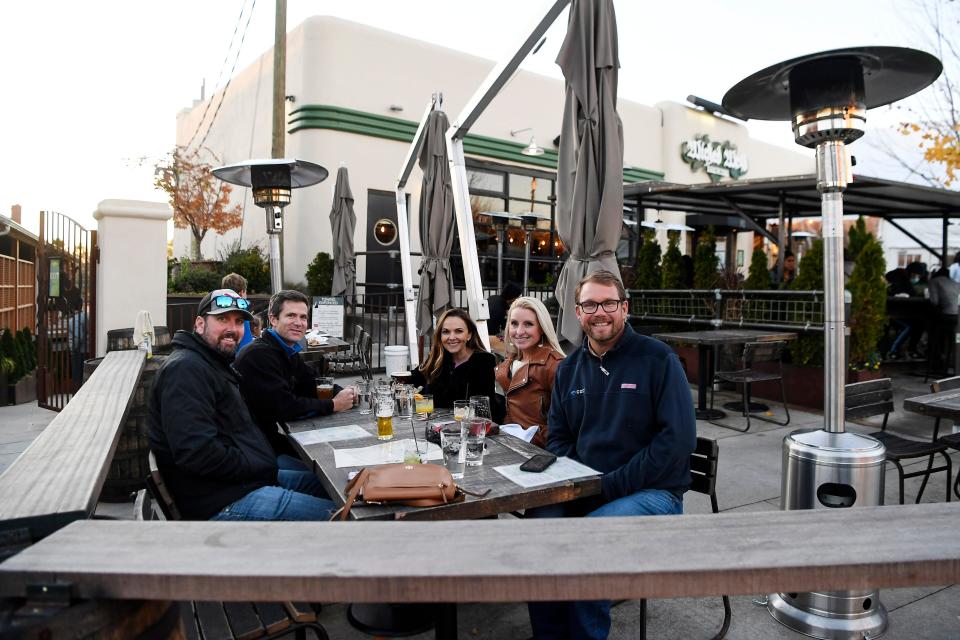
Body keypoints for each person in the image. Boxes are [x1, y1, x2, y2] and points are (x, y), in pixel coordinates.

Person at [526, 270, 696, 640]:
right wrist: (585, 485)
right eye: (590, 304)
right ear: (577, 311)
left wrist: (607, 485)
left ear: (625, 309)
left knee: (590, 543)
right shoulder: (569, 369)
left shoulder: (658, 360)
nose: (599, 312)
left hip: (655, 494)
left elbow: (676, 443)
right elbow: (559, 439)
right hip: (589, 491)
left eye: (608, 303)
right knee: (538, 532)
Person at [147, 288, 335, 521]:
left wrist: (261, 464)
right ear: (199, 324)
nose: (232, 329)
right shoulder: (186, 370)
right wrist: (256, 464)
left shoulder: (212, 363)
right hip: (223, 499)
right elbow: (197, 453)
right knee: (339, 515)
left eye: (238, 322)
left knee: (338, 488)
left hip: (245, 481)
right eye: (222, 319)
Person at [234, 290, 354, 458]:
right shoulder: (259, 355)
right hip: (254, 450)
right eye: (291, 316)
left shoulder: (284, 349)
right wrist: (333, 404)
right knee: (329, 467)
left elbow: (310, 382)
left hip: (267, 440)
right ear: (273, 319)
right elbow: (285, 406)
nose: (299, 323)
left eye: (303, 317)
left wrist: (345, 394)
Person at [493, 297, 564, 447]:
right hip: (509, 446)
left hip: (540, 453)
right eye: (514, 323)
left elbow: (565, 426)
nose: (519, 331)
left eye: (528, 324)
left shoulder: (555, 365)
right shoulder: (509, 362)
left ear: (542, 327)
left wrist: (527, 437)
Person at [408, 308, 498, 413]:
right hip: (432, 424)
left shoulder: (484, 361)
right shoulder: (437, 359)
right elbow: (411, 380)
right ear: (440, 336)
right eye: (446, 332)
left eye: (458, 331)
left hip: (467, 426)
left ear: (469, 334)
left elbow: (483, 407)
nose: (452, 337)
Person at [927, 268, 960, 372]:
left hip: (946, 316)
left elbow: (934, 301)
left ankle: (937, 361)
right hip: (957, 318)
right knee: (953, 338)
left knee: (931, 331)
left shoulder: (934, 281)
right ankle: (949, 361)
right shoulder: (955, 283)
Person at [221, 273, 255, 351]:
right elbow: (246, 345)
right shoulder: (242, 311)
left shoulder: (217, 307)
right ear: (242, 292)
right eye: (246, 292)